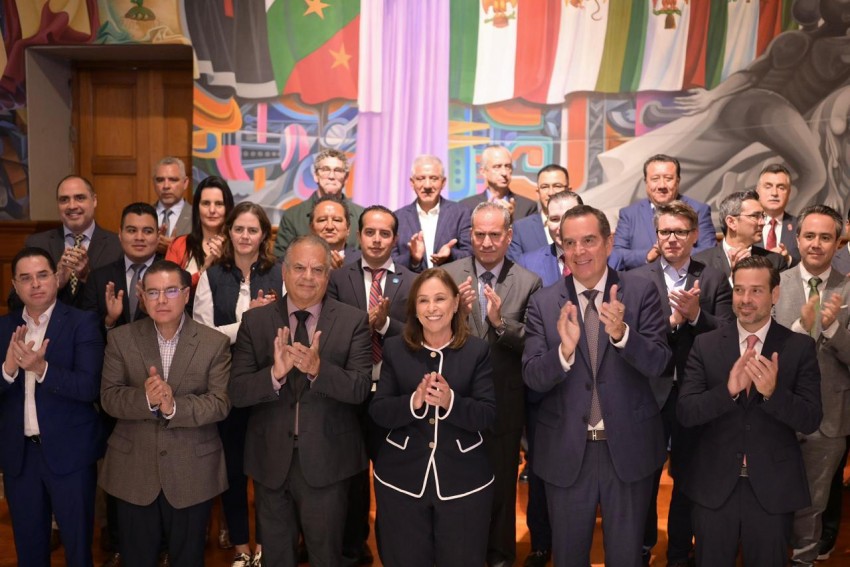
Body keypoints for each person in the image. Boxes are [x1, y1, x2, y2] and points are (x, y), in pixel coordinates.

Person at [522, 205, 671, 567]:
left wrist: (622, 334)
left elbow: (660, 363)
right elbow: (533, 377)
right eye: (570, 242)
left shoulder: (641, 291)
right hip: (566, 451)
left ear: (608, 243)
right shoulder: (543, 302)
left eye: (589, 240)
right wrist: (563, 351)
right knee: (568, 557)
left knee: (626, 557)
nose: (579, 251)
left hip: (629, 448)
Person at [229, 235, 372, 567]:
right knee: (277, 557)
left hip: (328, 460)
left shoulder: (353, 321)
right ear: (284, 271)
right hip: (270, 461)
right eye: (299, 268)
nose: (308, 276)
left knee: (326, 557)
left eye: (317, 269)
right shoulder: (256, 321)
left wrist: (319, 370)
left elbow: (360, 389)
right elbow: (237, 391)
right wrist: (273, 375)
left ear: (328, 275)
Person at [677, 255, 822, 566]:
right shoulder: (706, 345)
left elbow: (811, 419)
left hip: (772, 488)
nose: (745, 299)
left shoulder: (799, 347)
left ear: (775, 294)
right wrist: (727, 392)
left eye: (756, 290)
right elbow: (687, 412)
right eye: (739, 290)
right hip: (713, 486)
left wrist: (773, 394)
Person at [99, 260, 231, 567]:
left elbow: (220, 403)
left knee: (189, 558)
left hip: (192, 469)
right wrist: (145, 398)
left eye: (170, 291)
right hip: (133, 469)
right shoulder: (121, 338)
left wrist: (174, 407)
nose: (161, 300)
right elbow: (109, 398)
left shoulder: (214, 343)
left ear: (186, 295)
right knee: (137, 559)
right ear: (142, 297)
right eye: (153, 292)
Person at [631, 201, 735, 566]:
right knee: (642, 477)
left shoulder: (713, 277)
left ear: (695, 236)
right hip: (648, 393)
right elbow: (631, 337)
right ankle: (641, 548)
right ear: (656, 235)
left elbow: (728, 334)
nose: (672, 238)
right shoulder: (636, 278)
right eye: (665, 232)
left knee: (689, 478)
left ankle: (679, 552)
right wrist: (672, 322)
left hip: (695, 393)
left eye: (680, 232)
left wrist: (695, 316)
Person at [369, 268, 496, 567]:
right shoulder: (395, 348)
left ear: (456, 303)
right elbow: (379, 410)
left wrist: (451, 402)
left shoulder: (477, 350)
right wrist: (413, 402)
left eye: (440, 298)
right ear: (415, 308)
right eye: (423, 300)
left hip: (464, 480)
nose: (432, 308)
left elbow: (487, 414)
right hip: (400, 479)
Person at [442, 202, 541, 567]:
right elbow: (428, 331)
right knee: (455, 486)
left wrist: (500, 324)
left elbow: (534, 341)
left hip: (504, 404)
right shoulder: (447, 276)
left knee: (501, 487)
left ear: (509, 236)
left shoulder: (528, 281)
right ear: (470, 235)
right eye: (479, 234)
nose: (486, 242)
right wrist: (456, 316)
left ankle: (499, 557)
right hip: (454, 402)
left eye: (494, 235)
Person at [0, 247, 104, 567]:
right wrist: (8, 370)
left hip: (70, 454)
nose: (35, 284)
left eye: (43, 275)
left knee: (78, 549)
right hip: (20, 457)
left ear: (56, 278)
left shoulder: (82, 322)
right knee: (29, 550)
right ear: (15, 285)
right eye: (26, 278)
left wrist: (41, 369)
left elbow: (89, 387)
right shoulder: (3, 328)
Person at [193, 201, 282, 567]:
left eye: (252, 230)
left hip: (272, 383)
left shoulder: (279, 273)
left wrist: (258, 322)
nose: (245, 236)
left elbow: (289, 324)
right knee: (232, 468)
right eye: (239, 229)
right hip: (226, 384)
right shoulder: (212, 275)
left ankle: (267, 546)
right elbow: (203, 335)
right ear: (228, 232)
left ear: (263, 236)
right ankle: (242, 548)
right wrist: (248, 320)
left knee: (269, 469)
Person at [327, 205, 415, 565]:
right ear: (358, 235)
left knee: (393, 474)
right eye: (370, 232)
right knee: (352, 476)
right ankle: (353, 547)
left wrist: (384, 326)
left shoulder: (412, 280)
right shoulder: (337, 279)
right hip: (350, 391)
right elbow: (329, 332)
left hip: (393, 392)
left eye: (384, 233)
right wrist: (363, 326)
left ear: (395, 239)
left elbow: (418, 335)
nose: (377, 240)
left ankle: (396, 548)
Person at [771, 205, 850, 567]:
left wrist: (832, 329)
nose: (816, 244)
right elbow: (761, 348)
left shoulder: (848, 287)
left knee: (814, 505)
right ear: (797, 239)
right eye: (810, 236)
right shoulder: (773, 283)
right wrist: (802, 329)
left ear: (838, 243)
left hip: (829, 418)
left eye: (825, 237)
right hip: (776, 412)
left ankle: (804, 561)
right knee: (771, 497)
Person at [22, 175, 122, 307]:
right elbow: (15, 301)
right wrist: (55, 283)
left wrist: (88, 277)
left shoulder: (117, 245)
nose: (72, 206)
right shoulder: (37, 244)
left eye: (80, 198)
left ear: (94, 200)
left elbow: (123, 303)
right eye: (64, 200)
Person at [611, 154, 716, 271]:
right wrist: (648, 255)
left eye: (668, 178)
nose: (661, 185)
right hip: (641, 279)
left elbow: (709, 252)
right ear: (646, 182)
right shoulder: (629, 214)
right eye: (655, 179)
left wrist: (672, 253)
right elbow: (617, 254)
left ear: (678, 181)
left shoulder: (698, 210)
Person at [82, 202, 161, 333]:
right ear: (120, 234)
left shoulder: (175, 277)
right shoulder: (98, 278)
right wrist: (110, 320)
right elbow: (88, 332)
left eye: (147, 231)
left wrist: (153, 313)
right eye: (131, 230)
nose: (139, 237)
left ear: (158, 236)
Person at [273, 148, 364, 257]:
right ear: (316, 175)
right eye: (325, 169)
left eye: (338, 170)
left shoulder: (361, 216)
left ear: (346, 178)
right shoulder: (292, 216)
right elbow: (282, 259)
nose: (331, 176)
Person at [393, 155, 472, 272]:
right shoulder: (397, 218)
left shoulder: (461, 213)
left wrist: (450, 255)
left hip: (450, 281)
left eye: (434, 178)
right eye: (420, 179)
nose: (427, 185)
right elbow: (390, 261)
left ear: (443, 182)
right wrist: (413, 259)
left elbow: (471, 255)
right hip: (411, 282)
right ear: (412, 183)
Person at [693, 190, 787, 280]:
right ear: (731, 222)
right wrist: (734, 278)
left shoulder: (775, 261)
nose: (763, 222)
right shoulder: (701, 263)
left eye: (763, 216)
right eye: (754, 216)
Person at [165, 175, 235, 293]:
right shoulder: (180, 244)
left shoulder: (238, 245)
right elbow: (169, 289)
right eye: (206, 203)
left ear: (227, 208)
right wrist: (204, 270)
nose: (212, 210)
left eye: (219, 204)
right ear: (197, 208)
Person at [518, 190, 583, 288]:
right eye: (555, 219)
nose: (561, 226)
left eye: (569, 217)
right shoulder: (528, 264)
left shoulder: (604, 257)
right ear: (547, 222)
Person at [507, 164, 569, 262]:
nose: (551, 193)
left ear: (569, 190)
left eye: (557, 186)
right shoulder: (520, 229)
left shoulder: (584, 225)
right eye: (545, 187)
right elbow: (515, 267)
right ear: (537, 192)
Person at [460, 145, 537, 221]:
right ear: (483, 172)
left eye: (507, 166)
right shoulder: (466, 206)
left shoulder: (528, 207)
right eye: (497, 167)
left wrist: (510, 220)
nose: (504, 173)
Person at [754, 163, 800, 267]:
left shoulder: (800, 226)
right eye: (768, 187)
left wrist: (788, 260)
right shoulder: (747, 225)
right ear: (757, 191)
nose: (774, 193)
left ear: (789, 192)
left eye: (781, 187)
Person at [152, 157, 193, 254]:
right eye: (160, 180)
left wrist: (174, 249)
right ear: (154, 183)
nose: (166, 186)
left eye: (173, 180)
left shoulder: (198, 216)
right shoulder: (144, 216)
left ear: (185, 183)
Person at [310, 196, 356, 269]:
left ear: (348, 228)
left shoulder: (363, 260)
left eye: (337, 220)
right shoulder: (298, 258)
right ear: (311, 228)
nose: (329, 227)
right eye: (322, 220)